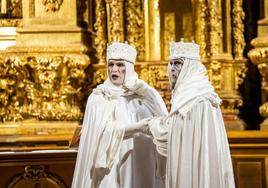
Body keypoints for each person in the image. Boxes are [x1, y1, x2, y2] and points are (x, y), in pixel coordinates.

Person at [71, 41, 168, 188]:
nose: (114, 70)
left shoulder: (146, 93)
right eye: (111, 64)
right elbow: (100, 134)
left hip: (143, 163)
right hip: (112, 166)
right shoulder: (99, 97)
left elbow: (164, 125)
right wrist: (137, 128)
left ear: (129, 67)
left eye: (120, 65)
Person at [146, 40, 235, 188]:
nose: (172, 69)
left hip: (195, 164)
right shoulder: (185, 93)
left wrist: (154, 125)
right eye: (171, 63)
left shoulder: (198, 97)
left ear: (190, 66)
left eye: (178, 64)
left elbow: (179, 134)